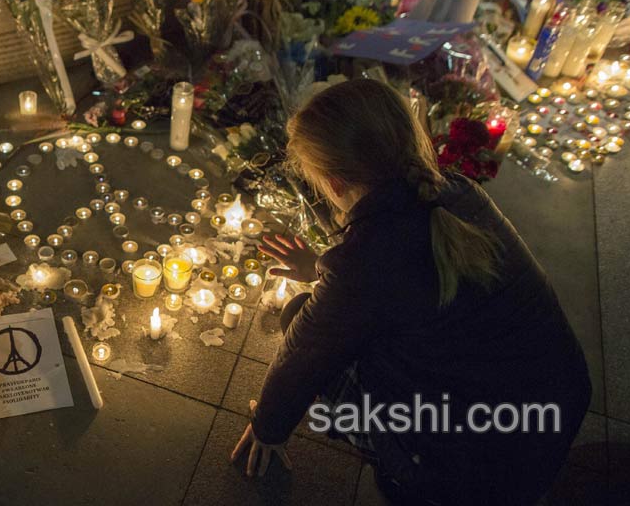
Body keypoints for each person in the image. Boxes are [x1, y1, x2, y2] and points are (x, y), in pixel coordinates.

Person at [230, 79, 591, 505]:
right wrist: (325, 270)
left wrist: (268, 425)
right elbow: (404, 276)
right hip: (553, 409)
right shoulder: (455, 192)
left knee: (297, 315)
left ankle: (412, 479)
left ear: (335, 184)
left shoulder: (366, 261)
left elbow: (305, 352)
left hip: (475, 464)